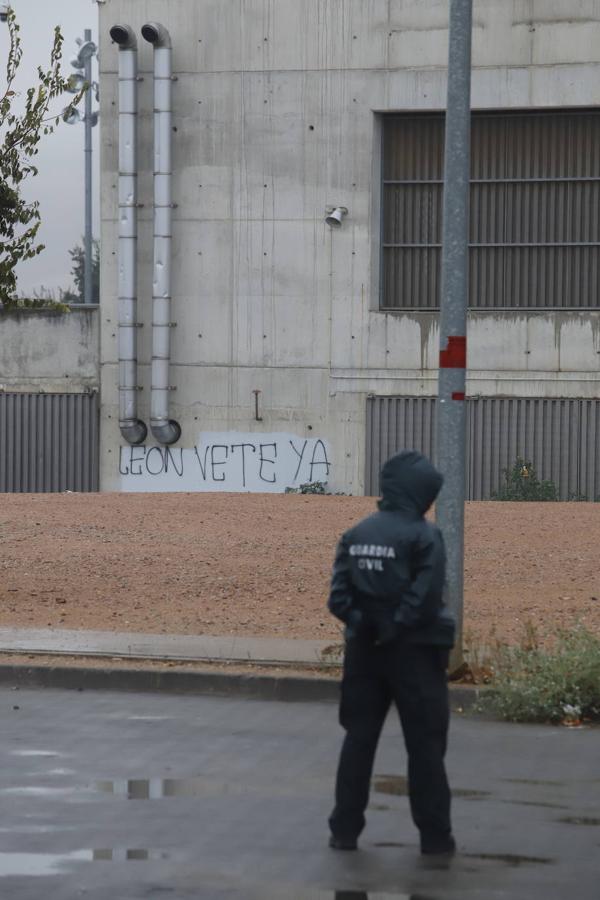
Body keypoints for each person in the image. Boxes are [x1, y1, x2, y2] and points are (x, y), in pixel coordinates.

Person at [327, 449, 456, 856]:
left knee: (358, 740)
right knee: (425, 747)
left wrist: (365, 623)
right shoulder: (424, 536)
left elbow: (338, 597)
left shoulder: (356, 534)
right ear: (419, 495)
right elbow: (426, 594)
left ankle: (344, 831)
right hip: (415, 654)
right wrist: (395, 624)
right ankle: (435, 839)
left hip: (363, 653)